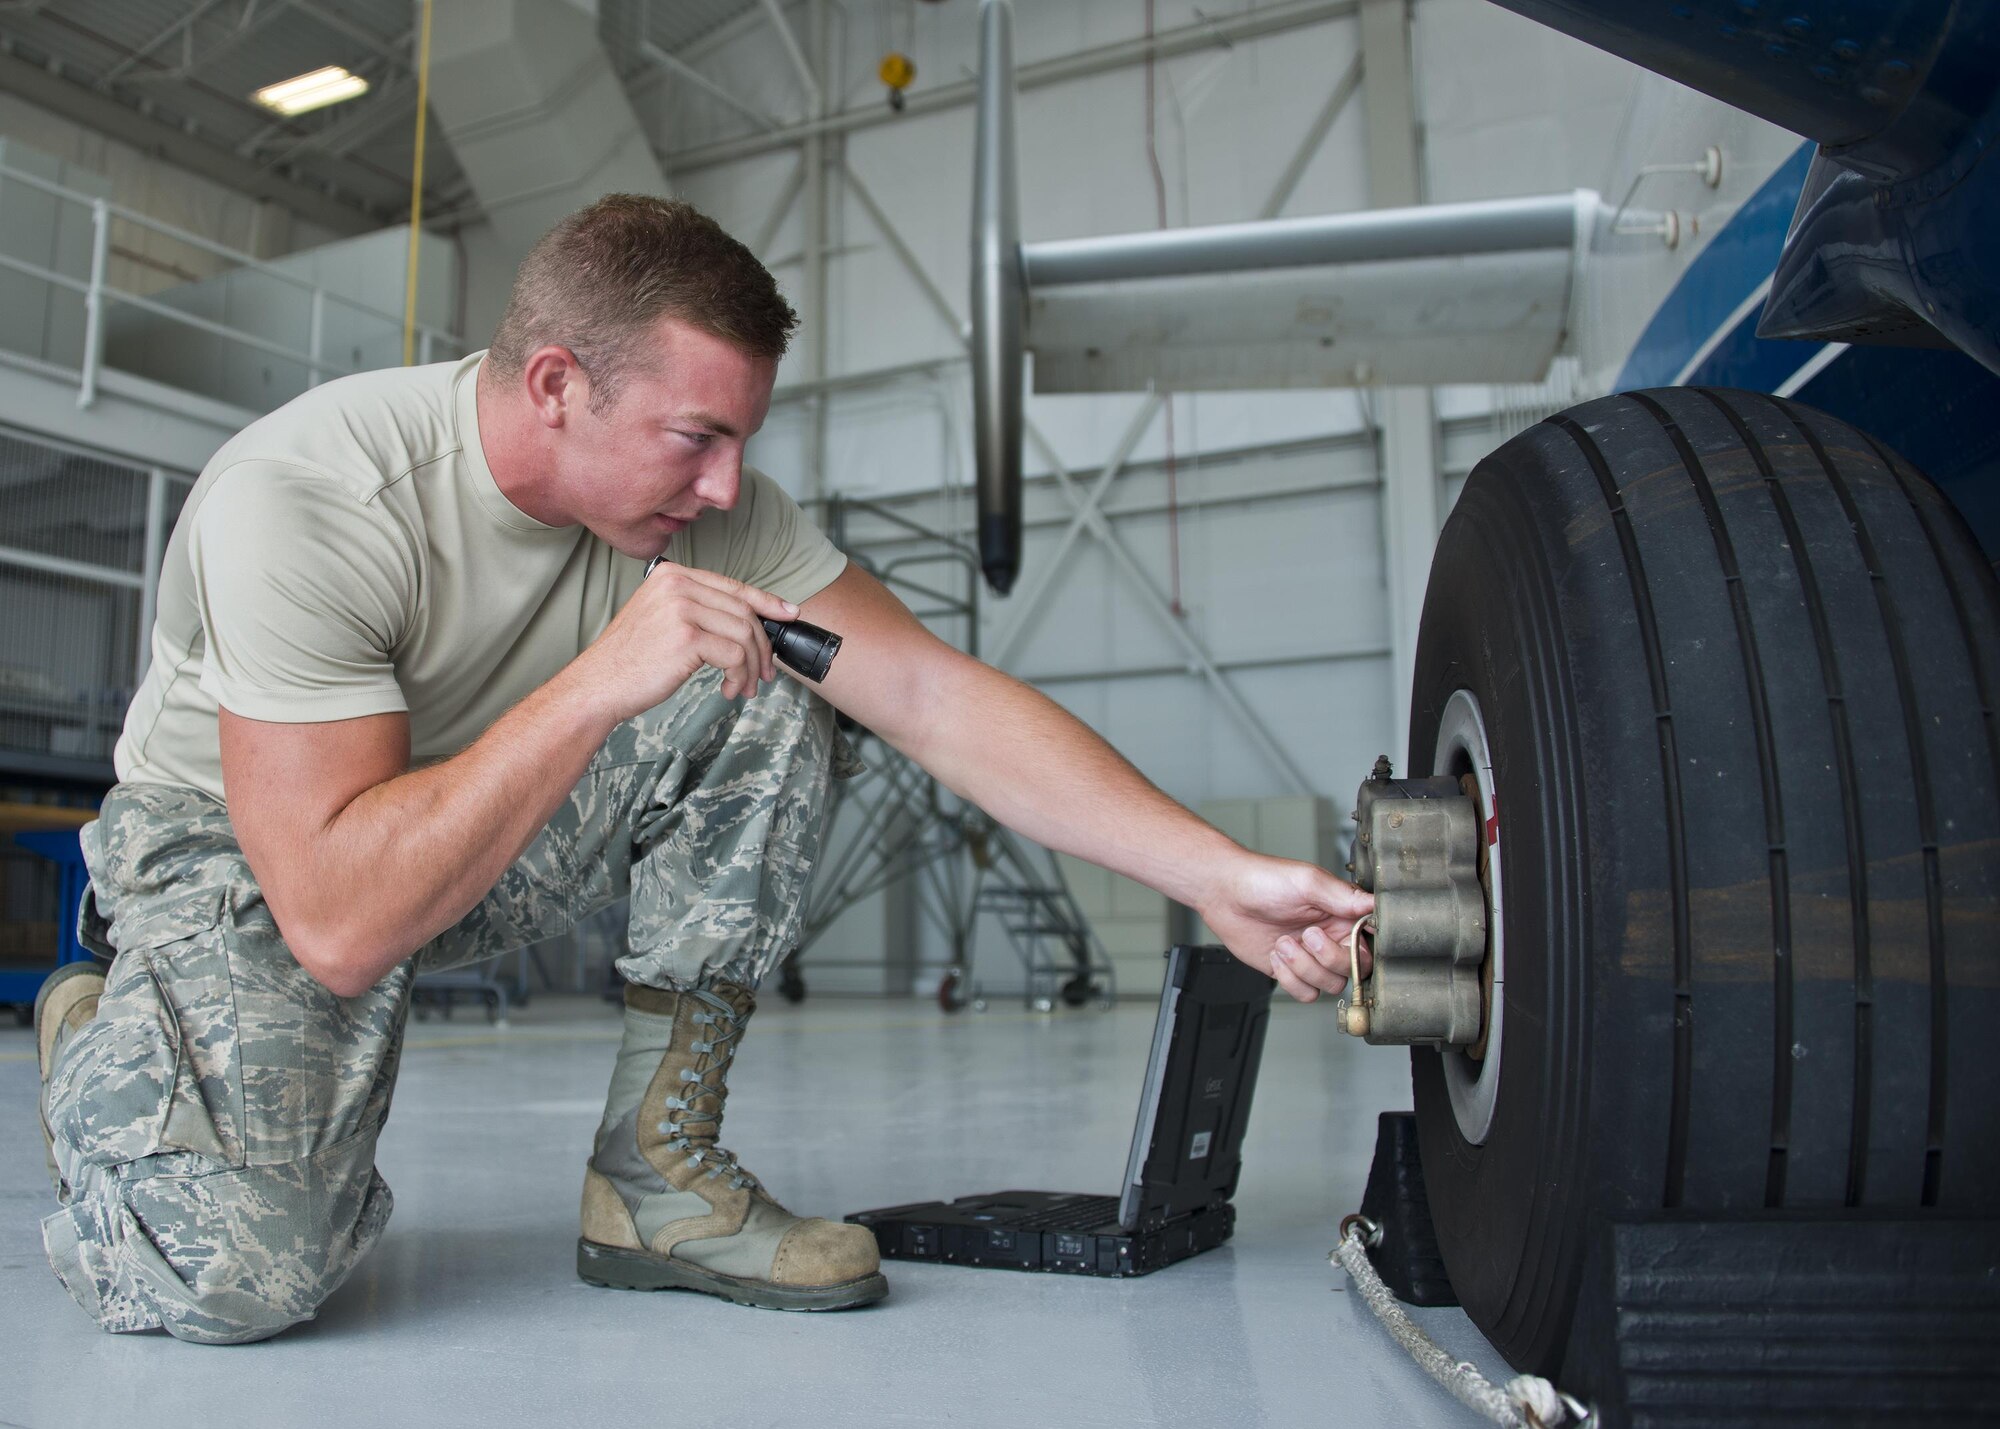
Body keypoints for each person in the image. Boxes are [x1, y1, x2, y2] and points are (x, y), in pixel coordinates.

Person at [33, 194, 1371, 1345]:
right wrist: (606, 675)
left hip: (469, 826)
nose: (730, 489)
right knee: (238, 1275)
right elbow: (337, 919)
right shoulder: (315, 497)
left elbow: (930, 697)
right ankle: (108, 1037)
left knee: (784, 685)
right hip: (251, 863)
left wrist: (1222, 877)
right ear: (557, 383)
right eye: (696, 438)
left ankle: (653, 1176)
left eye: (744, 441)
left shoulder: (703, 514)